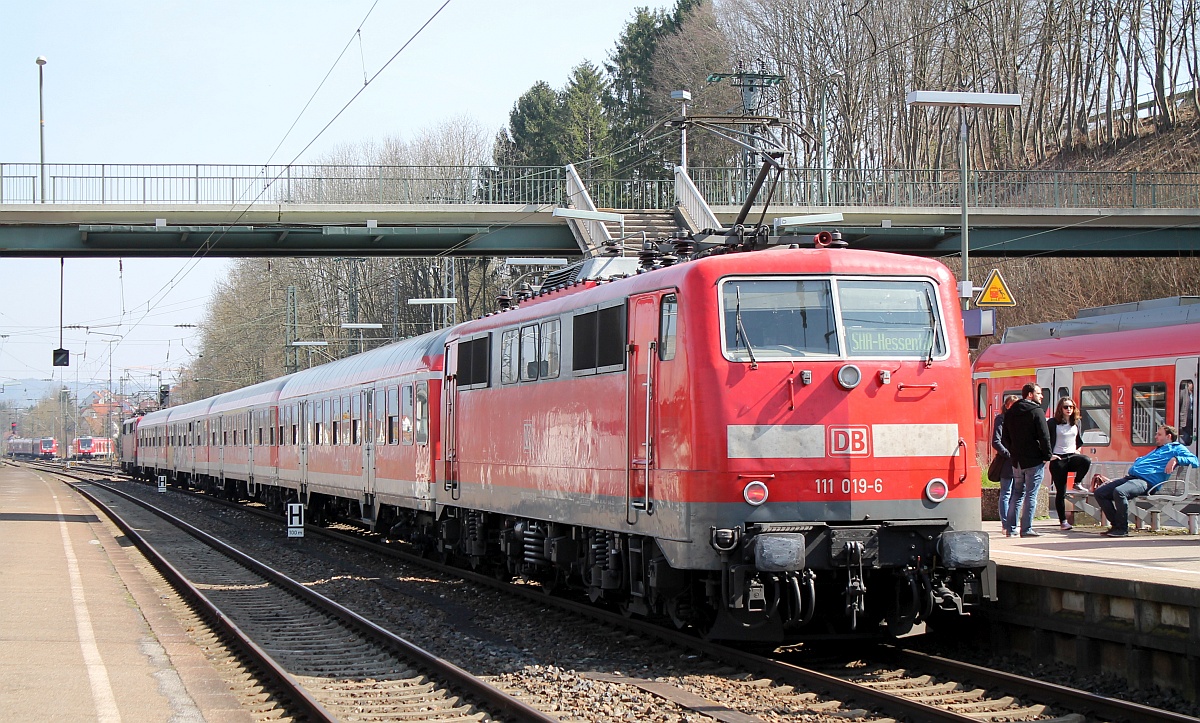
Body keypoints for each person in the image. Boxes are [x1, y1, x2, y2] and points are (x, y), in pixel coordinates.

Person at [1094, 425, 1199, 537]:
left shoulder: (1177, 448)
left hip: (1147, 482)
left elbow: (1195, 461)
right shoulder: (1158, 449)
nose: (1155, 437)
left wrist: (1176, 459)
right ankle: (1115, 526)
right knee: (1100, 492)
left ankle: (1122, 529)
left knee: (1120, 492)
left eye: (1159, 434)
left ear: (1169, 436)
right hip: (1132, 478)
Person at [1001, 383, 1052, 537]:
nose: (1041, 396)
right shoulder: (1036, 411)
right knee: (1031, 494)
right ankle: (1027, 528)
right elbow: (1044, 436)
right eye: (1039, 393)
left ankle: (1010, 529)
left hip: (1017, 461)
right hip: (1034, 460)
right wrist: (1046, 456)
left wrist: (1014, 451)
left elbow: (1005, 437)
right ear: (1030, 394)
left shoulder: (1011, 412)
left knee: (1017, 493)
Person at [1048, 397, 1092, 530]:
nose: (1068, 409)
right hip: (1058, 459)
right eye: (1066, 407)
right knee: (1061, 492)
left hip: (1071, 456)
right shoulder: (1052, 423)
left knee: (1085, 460)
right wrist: (1049, 455)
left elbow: (1078, 440)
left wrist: (1077, 449)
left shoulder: (1076, 423)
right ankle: (1063, 521)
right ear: (1060, 409)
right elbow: (1045, 439)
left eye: (1071, 407)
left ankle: (1077, 483)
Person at [992, 394, 1020, 536]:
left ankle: (1013, 523)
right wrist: (1008, 454)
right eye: (1013, 405)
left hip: (1019, 461)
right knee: (1006, 492)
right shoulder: (1001, 419)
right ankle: (1005, 523)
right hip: (1007, 462)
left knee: (1017, 492)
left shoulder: (1019, 421)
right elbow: (996, 441)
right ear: (1007, 405)